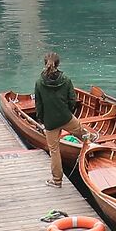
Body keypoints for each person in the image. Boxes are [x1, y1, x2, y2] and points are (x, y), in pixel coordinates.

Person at [33, 51, 78, 188]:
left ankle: (57, 181)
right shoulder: (66, 79)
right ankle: (95, 146)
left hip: (50, 123)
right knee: (86, 135)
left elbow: (39, 105)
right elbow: (72, 99)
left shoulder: (40, 82)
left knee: (54, 151)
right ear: (58, 64)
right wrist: (68, 112)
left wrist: (42, 120)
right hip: (66, 118)